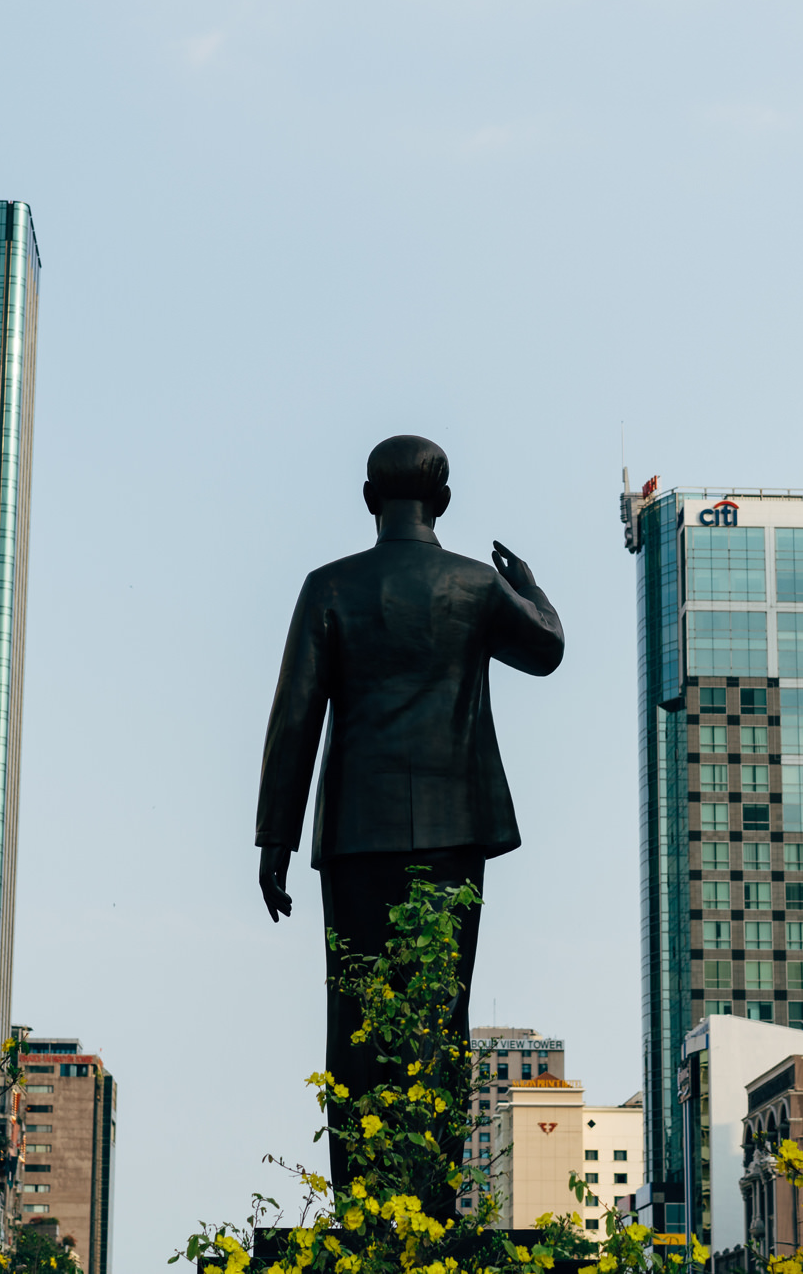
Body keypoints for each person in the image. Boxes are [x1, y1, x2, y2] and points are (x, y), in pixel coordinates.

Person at [254, 434, 564, 1193]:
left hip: (357, 836)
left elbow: (295, 718)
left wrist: (275, 841)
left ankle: (362, 1203)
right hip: (455, 832)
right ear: (444, 503)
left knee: (357, 1016)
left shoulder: (328, 586)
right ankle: (429, 1199)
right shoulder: (475, 587)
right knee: (438, 1015)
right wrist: (529, 588)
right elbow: (548, 648)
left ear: (369, 500)